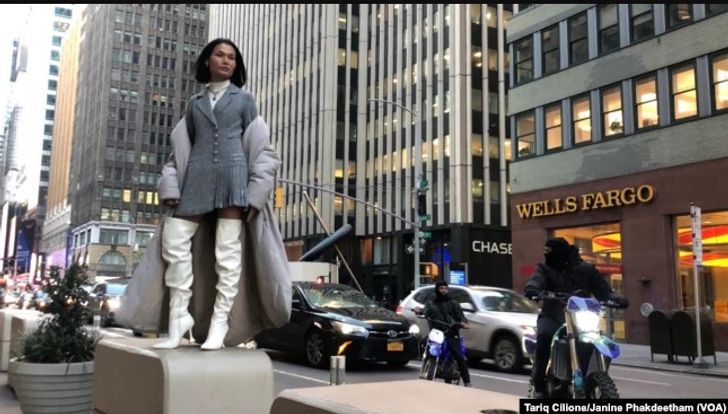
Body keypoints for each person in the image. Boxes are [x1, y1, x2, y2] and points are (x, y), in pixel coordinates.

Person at [150, 38, 290, 350]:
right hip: (197, 177)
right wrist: (170, 187)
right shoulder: (195, 104)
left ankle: (220, 322)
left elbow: (264, 150)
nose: (227, 61)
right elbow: (178, 152)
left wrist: (256, 194)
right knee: (174, 241)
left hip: (233, 178)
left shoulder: (244, 100)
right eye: (220, 55)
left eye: (232, 57)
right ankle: (178, 318)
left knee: (227, 255)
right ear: (208, 61)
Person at [523, 238, 628, 398]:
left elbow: (602, 289)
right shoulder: (544, 269)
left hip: (581, 317)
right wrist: (533, 289)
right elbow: (536, 280)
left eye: (550, 253)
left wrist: (615, 297)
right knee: (544, 335)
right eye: (546, 253)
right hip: (553, 315)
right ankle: (539, 385)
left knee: (599, 338)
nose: (548, 256)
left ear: (562, 253)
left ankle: (596, 378)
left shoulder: (585, 269)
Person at [423, 280, 472, 387]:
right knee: (423, 343)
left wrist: (462, 323)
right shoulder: (430, 303)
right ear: (437, 289)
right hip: (436, 332)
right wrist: (420, 311)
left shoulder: (453, 303)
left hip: (451, 332)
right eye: (441, 288)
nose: (444, 291)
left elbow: (461, 317)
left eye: (445, 288)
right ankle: (426, 365)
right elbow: (425, 311)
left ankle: (467, 382)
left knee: (459, 356)